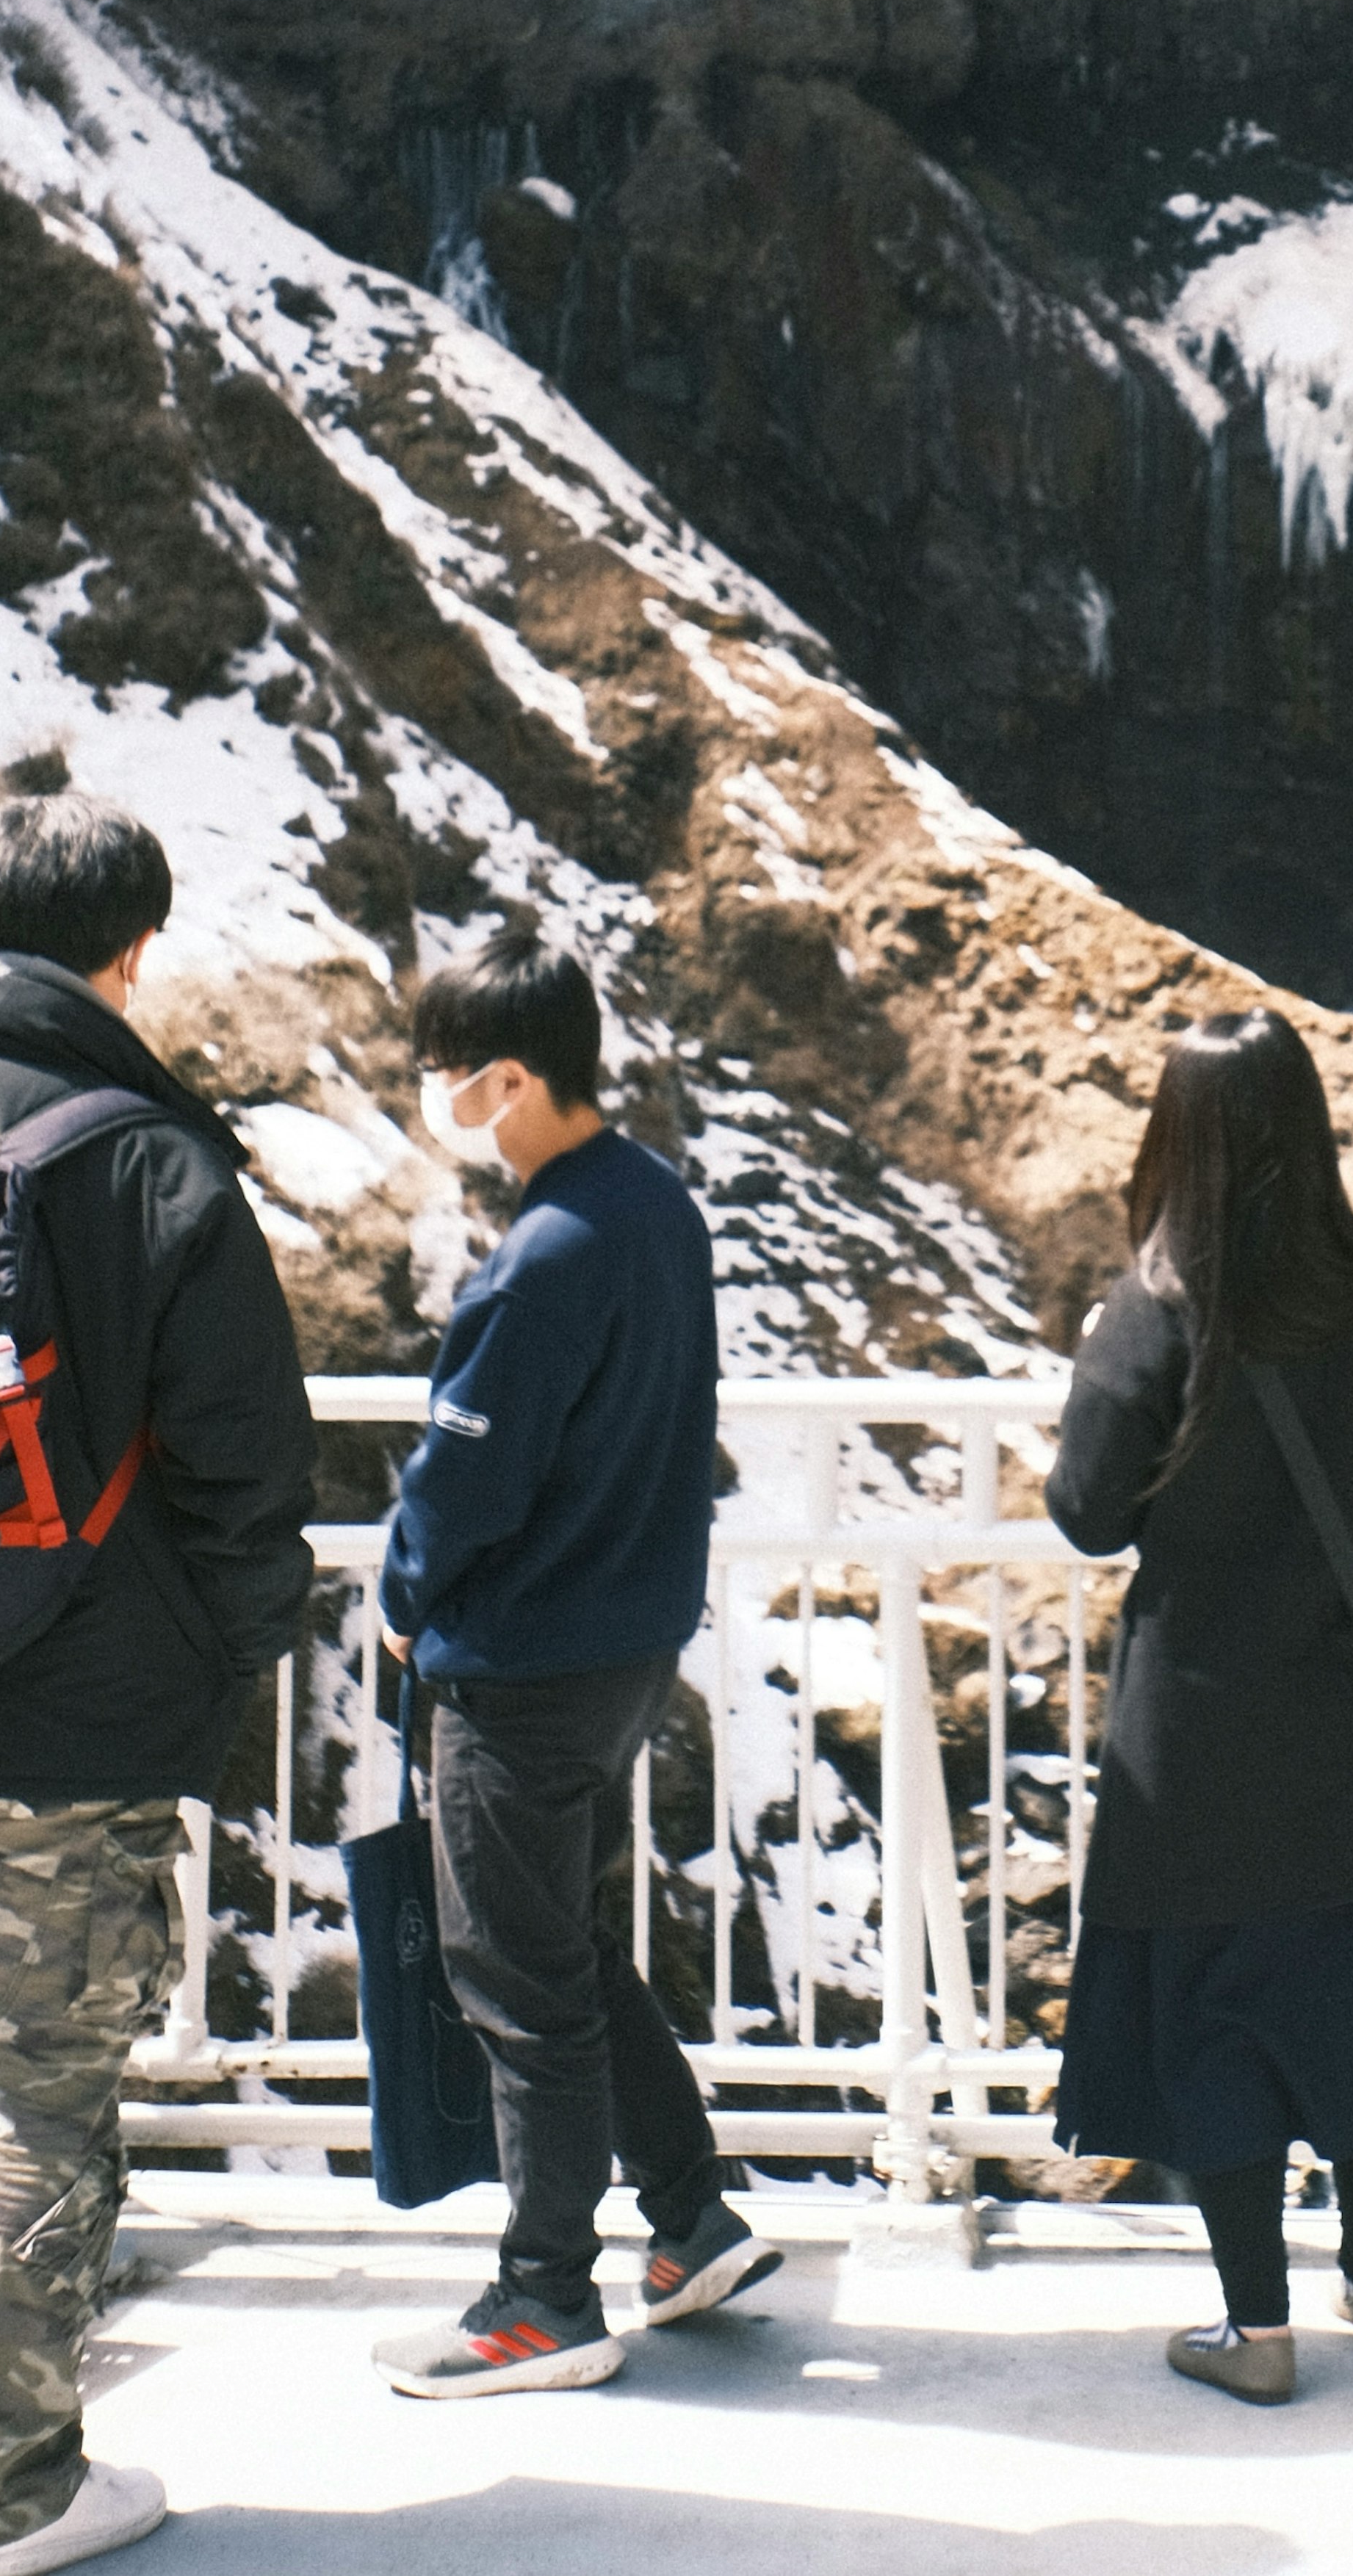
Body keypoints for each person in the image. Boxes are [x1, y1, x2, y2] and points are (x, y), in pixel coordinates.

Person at [1046, 1009, 1353, 2403]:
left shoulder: (1162, 1308)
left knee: (1219, 2016)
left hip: (1205, 1743)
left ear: (1176, 1141)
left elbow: (1082, 1512)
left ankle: (1258, 2326)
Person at [368, 926, 776, 2398]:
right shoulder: (654, 1206)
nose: (436, 1098)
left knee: (515, 1974)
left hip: (522, 1659)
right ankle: (689, 2219)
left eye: (449, 1075)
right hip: (625, 1646)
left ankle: (543, 2299)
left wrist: (409, 1597)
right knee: (571, 1947)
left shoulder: (540, 1258)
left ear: (513, 1079)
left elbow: (465, 1480)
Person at [0, 793, 317, 2572]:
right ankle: (9, 2490)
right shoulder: (148, 1158)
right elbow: (250, 1460)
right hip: (72, 1720)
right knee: (34, 2096)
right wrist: (224, 1643)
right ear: (128, 951)